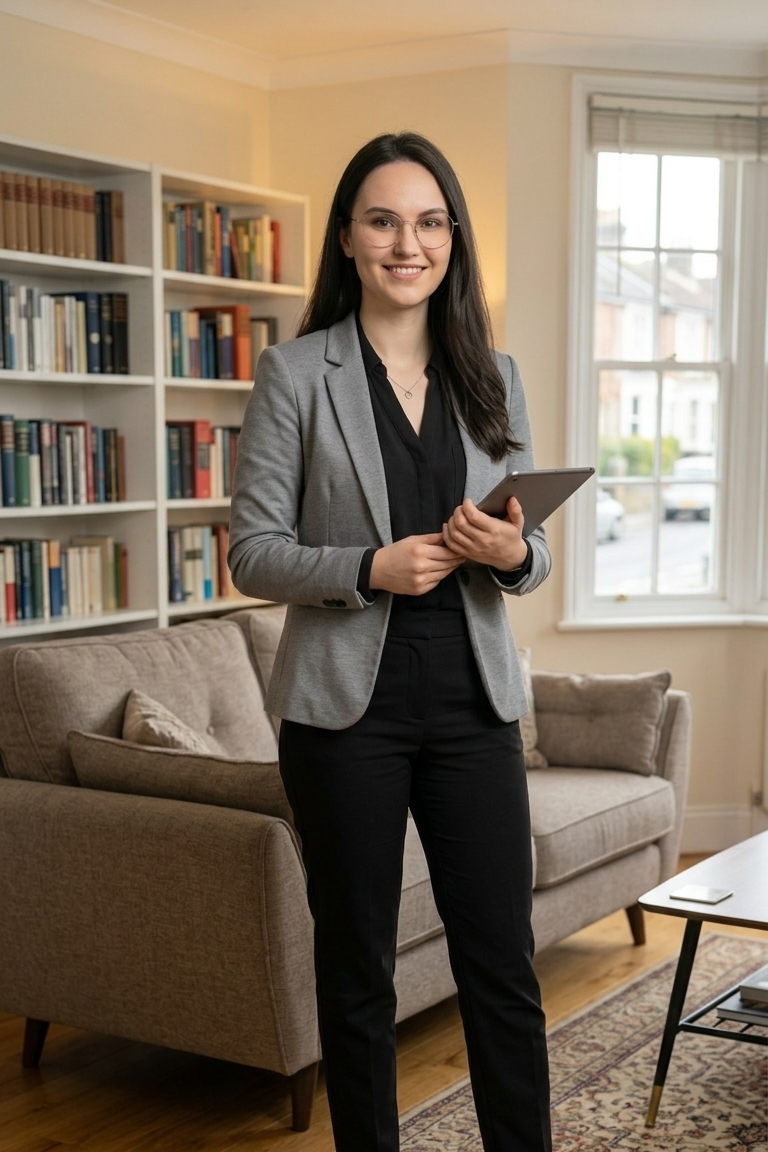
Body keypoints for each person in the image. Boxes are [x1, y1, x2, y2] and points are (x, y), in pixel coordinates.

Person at [228, 131, 552, 1152]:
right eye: (382, 220)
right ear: (348, 237)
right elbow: (254, 554)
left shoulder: (493, 375)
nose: (406, 242)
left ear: (451, 237)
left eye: (427, 221)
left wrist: (507, 553)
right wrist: (367, 568)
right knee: (358, 968)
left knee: (500, 963)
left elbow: (533, 554)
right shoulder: (294, 372)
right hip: (341, 715)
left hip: (472, 704)